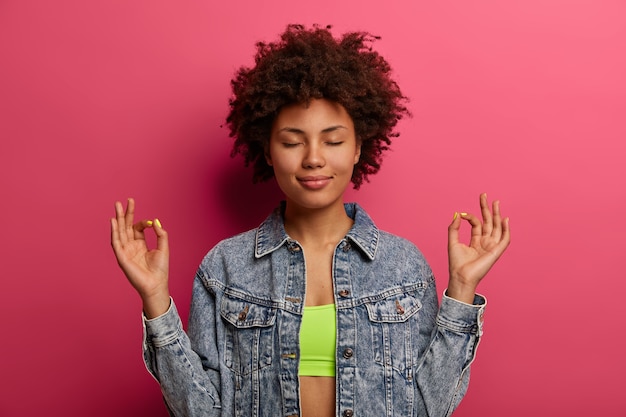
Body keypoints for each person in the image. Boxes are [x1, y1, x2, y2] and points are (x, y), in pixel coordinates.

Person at [111, 24, 510, 417]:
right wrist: (155, 301)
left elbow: (428, 409)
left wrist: (461, 289)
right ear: (267, 150)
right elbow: (201, 411)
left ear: (358, 148)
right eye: (291, 141)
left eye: (333, 140)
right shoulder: (224, 267)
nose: (313, 158)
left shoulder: (403, 266)